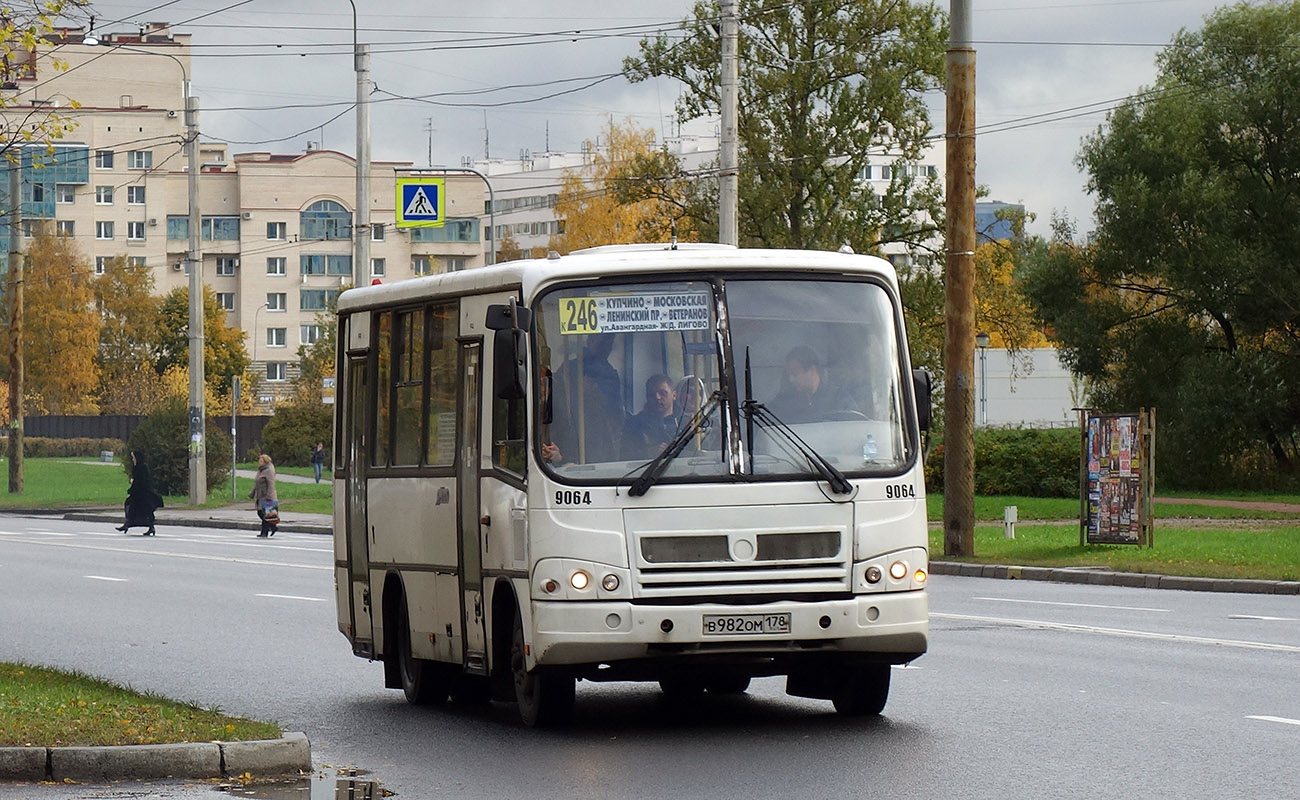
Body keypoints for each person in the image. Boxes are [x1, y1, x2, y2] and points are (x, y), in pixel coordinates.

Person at [543, 333, 625, 464]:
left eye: (609, 343)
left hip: (602, 442)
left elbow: (616, 413)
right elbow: (555, 403)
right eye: (602, 342)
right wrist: (578, 391)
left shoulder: (610, 374)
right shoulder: (571, 368)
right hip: (572, 436)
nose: (606, 347)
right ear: (590, 341)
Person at [768, 345, 857, 423]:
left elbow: (854, 429)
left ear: (812, 370)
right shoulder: (785, 401)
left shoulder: (839, 398)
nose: (791, 380)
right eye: (789, 375)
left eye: (795, 374)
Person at [622, 374, 679, 460]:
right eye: (652, 394)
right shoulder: (634, 425)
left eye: (663, 393)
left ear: (674, 395)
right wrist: (647, 453)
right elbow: (624, 456)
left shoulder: (687, 424)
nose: (657, 397)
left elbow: (696, 455)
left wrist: (675, 451)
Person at [117, 451, 162, 536]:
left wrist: (133, 482)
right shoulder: (136, 467)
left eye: (133, 457)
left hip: (144, 493)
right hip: (138, 493)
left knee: (141, 509)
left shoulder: (143, 467)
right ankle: (128, 524)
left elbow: (142, 481)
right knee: (133, 508)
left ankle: (149, 527)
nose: (132, 459)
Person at [248, 453, 279, 537]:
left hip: (267, 496)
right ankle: (266, 531)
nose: (259, 462)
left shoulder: (269, 470)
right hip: (260, 495)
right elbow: (257, 482)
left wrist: (269, 495)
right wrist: (252, 493)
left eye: (261, 461)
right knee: (262, 513)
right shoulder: (261, 470)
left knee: (264, 514)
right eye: (259, 461)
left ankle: (271, 527)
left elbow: (271, 483)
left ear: (265, 462)